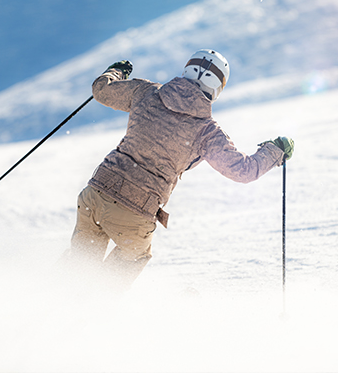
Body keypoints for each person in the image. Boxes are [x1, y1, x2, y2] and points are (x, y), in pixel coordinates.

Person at [63, 49, 294, 292]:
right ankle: (89, 305)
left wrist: (116, 72)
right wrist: (275, 151)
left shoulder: (147, 91)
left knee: (79, 264)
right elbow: (243, 171)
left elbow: (101, 91)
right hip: (135, 212)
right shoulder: (206, 131)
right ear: (217, 88)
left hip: (96, 193)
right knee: (131, 258)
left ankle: (47, 303)